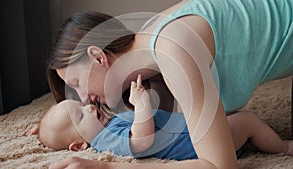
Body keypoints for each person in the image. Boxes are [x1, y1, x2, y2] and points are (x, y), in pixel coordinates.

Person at [28, 0, 293, 168]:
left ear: (98, 57)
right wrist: (50, 128)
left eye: (77, 83)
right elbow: (123, 124)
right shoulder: (149, 39)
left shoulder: (173, 51)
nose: (84, 99)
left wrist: (108, 167)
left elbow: (219, 165)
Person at [39, 75, 293, 161]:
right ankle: (284, 146)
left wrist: (39, 127)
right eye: (80, 116)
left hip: (198, 131)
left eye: (81, 105)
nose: (88, 107)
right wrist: (140, 105)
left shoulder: (109, 126)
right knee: (247, 120)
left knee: (231, 114)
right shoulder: (106, 140)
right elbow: (141, 141)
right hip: (198, 144)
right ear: (79, 146)